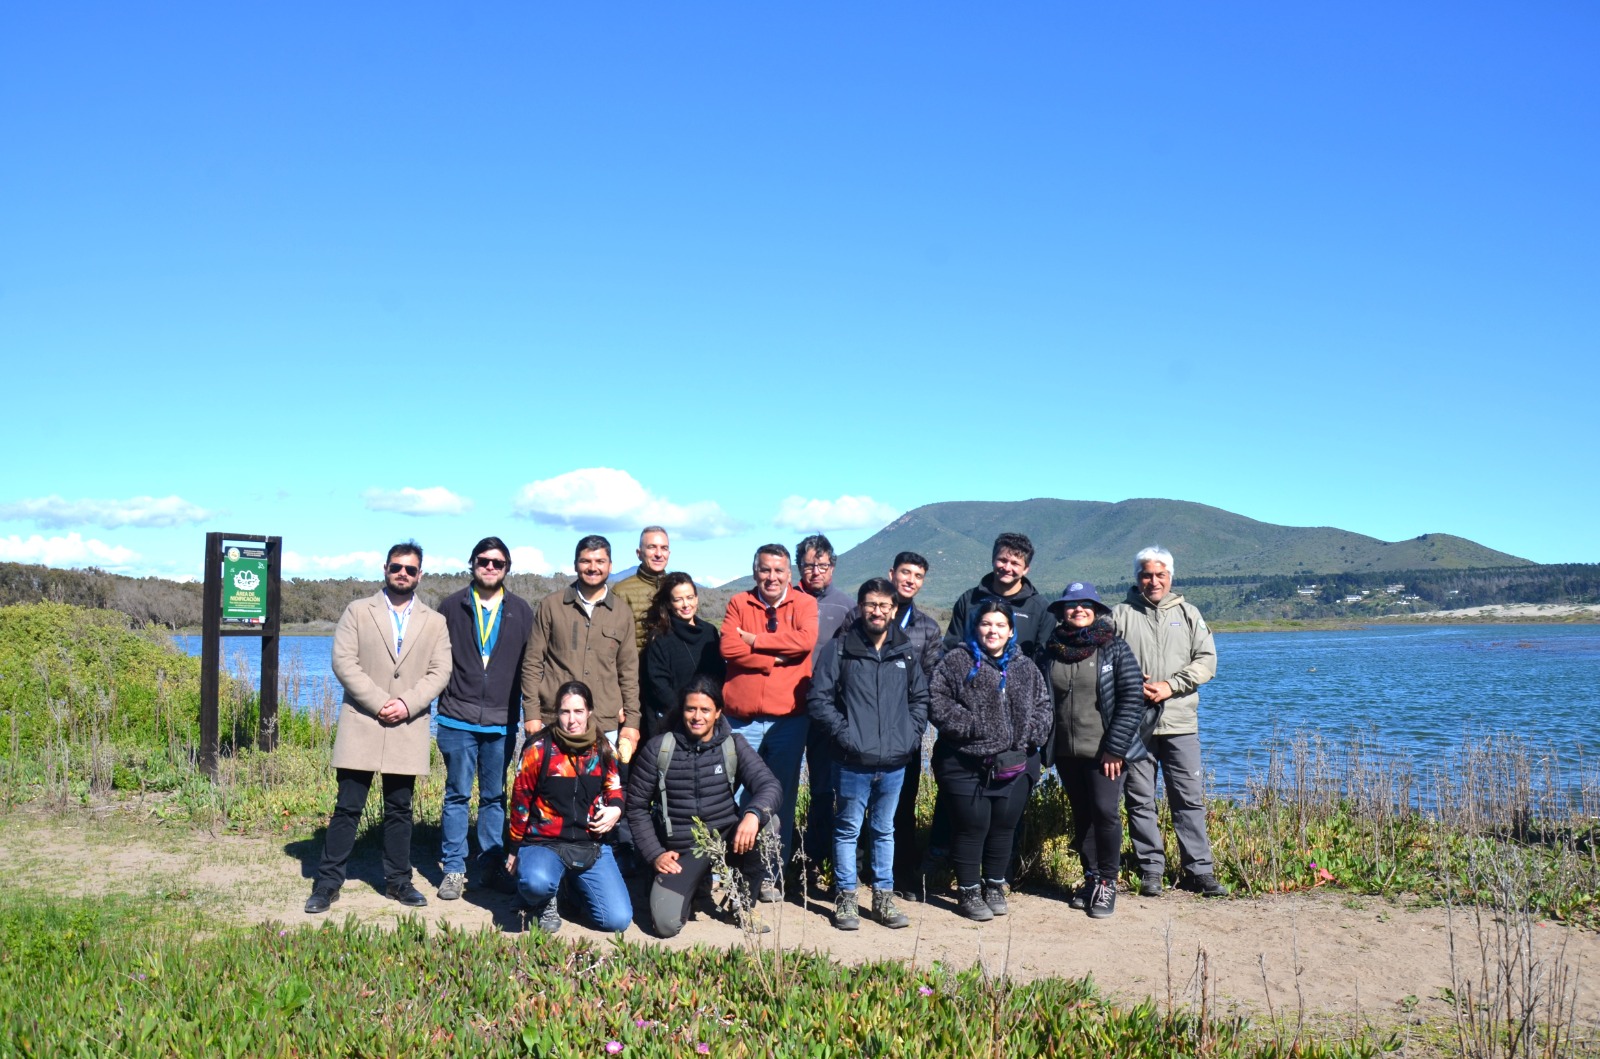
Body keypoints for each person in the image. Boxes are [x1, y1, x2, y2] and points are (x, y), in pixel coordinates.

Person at [305, 541, 451, 914]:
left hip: (409, 724)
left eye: (411, 569)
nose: (403, 573)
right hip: (362, 722)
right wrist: (380, 702)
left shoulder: (435, 622)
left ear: (421, 574)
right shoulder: (357, 611)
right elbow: (343, 661)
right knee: (347, 807)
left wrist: (406, 704)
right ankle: (327, 883)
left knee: (400, 809)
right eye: (397, 567)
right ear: (384, 568)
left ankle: (398, 882)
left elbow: (441, 672)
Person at [807, 578, 928, 931]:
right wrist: (846, 737)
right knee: (846, 830)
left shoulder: (905, 651)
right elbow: (819, 700)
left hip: (894, 761)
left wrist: (909, 736)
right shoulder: (840, 649)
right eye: (871, 604)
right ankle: (846, 898)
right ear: (860, 607)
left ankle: (883, 899)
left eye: (884, 606)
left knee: (884, 830)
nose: (877, 611)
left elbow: (920, 699)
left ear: (893, 610)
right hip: (851, 761)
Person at [625, 675, 783, 938]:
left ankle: (743, 903)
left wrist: (752, 815)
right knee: (666, 926)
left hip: (727, 840)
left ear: (718, 712)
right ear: (682, 710)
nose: (697, 716)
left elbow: (770, 786)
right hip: (682, 850)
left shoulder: (735, 744)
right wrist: (655, 854)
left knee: (770, 824)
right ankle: (695, 886)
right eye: (691, 709)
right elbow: (636, 807)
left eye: (705, 710)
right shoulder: (658, 749)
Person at [1113, 546, 1227, 898]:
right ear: (1137, 578)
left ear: (1171, 577)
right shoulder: (1119, 615)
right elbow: (1101, 659)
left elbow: (1207, 662)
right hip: (1134, 725)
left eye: (1160, 575)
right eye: (1147, 575)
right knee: (1140, 799)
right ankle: (1151, 870)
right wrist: (1128, 678)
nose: (1154, 581)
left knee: (1188, 799)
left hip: (1180, 722)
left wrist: (1169, 685)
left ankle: (1198, 871)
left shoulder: (1189, 614)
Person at [928, 599, 1052, 922]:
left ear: (1011, 630)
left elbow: (1043, 706)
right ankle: (969, 890)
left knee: (1003, 826)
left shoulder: (1025, 667)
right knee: (973, 826)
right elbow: (937, 702)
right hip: (965, 762)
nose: (992, 630)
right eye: (986, 624)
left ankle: (994, 886)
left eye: (1000, 625)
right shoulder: (957, 661)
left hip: (1016, 762)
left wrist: (1030, 736)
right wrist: (972, 728)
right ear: (975, 627)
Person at [434, 536, 535, 900]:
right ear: (472, 563)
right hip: (457, 718)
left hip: (501, 721)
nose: (490, 567)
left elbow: (531, 669)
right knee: (457, 794)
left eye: (498, 562)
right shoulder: (450, 607)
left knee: (494, 797)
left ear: (507, 568)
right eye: (483, 561)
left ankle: (491, 866)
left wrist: (531, 716)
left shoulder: (522, 611)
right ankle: (455, 869)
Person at [1041, 581, 1148, 919]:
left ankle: (1107, 882)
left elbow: (1132, 699)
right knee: (1083, 815)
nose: (1079, 610)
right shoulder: (1052, 649)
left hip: (1105, 753)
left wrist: (1115, 749)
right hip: (1066, 753)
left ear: (1097, 610)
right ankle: (1090, 878)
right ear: (1062, 612)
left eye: (1086, 604)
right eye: (1071, 605)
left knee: (1105, 813)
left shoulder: (1114, 648)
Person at [720, 543, 818, 900]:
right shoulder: (738, 603)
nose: (771, 577)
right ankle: (725, 868)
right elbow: (728, 648)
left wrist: (756, 641)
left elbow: (805, 642)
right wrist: (773, 659)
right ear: (754, 571)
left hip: (788, 722)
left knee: (780, 797)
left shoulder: (805, 604)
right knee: (727, 793)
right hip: (739, 719)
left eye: (778, 570)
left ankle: (770, 874)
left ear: (789, 574)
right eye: (764, 570)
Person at [505, 680, 632, 933]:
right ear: (556, 714)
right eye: (565, 712)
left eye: (578, 712)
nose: (571, 719)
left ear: (589, 713)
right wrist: (514, 849)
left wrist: (616, 809)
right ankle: (544, 899)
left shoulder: (604, 749)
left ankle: (569, 888)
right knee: (535, 883)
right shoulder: (538, 750)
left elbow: (615, 789)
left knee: (617, 920)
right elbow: (520, 804)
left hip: (590, 846)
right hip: (544, 843)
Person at [520, 535, 642, 761]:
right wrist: (531, 714)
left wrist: (632, 722)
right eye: (586, 561)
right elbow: (532, 663)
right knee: (550, 789)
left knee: (601, 793)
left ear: (610, 566)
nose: (593, 567)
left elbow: (628, 671)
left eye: (600, 561)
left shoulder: (622, 612)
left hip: (605, 722)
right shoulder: (551, 605)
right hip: (554, 719)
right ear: (576, 564)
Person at [796, 533, 853, 876]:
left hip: (826, 709)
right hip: (785, 708)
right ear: (798, 566)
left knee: (822, 786)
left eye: (822, 564)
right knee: (778, 786)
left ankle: (817, 857)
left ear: (833, 566)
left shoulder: (846, 605)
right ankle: (778, 853)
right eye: (808, 564)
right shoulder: (785, 598)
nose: (815, 571)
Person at [944, 532, 1057, 660]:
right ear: (993, 560)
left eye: (1015, 563)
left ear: (1025, 569)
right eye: (1002, 560)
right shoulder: (969, 600)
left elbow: (1042, 658)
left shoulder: (1041, 608)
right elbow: (951, 646)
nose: (1007, 567)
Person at [640, 571, 724, 741]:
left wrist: (709, 711)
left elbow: (720, 674)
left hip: (708, 721)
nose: (686, 604)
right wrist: (688, 714)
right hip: (674, 723)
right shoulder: (660, 638)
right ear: (669, 604)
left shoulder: (710, 632)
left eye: (690, 597)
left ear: (697, 598)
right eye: (678, 599)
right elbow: (659, 687)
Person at [613, 526, 671, 655]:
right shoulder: (621, 592)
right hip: (636, 672)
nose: (658, 554)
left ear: (669, 554)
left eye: (664, 548)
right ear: (639, 553)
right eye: (652, 547)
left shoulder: (676, 588)